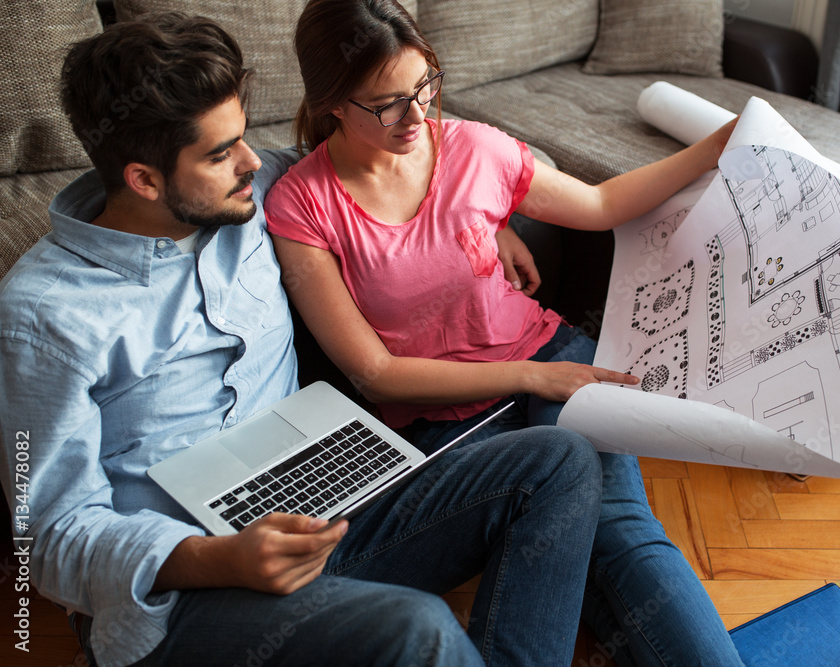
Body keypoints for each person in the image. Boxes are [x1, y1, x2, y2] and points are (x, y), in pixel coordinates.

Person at [0, 12, 606, 667]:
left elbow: (380, 155)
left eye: (242, 137)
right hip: (186, 589)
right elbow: (52, 539)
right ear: (145, 180)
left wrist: (484, 221)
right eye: (220, 152)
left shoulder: (253, 192)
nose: (252, 161)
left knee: (559, 462)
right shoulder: (43, 318)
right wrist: (218, 557)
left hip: (328, 504)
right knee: (418, 628)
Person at [264, 1, 746, 665]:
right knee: (589, 539)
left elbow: (602, 205)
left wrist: (713, 150)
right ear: (332, 103)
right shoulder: (302, 203)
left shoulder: (473, 146)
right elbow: (373, 371)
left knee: (622, 531)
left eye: (424, 87)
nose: (415, 117)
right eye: (387, 104)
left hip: (554, 359)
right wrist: (529, 375)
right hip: (442, 421)